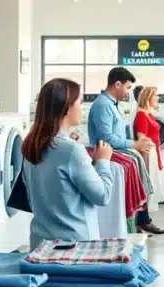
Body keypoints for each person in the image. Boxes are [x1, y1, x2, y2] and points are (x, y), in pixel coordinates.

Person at [22, 78, 114, 250]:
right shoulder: (72, 150)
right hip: (74, 246)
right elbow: (102, 196)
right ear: (67, 107)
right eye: (80, 102)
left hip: (40, 245)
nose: (82, 108)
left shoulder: (30, 145)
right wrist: (103, 161)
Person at [88, 67, 153, 156]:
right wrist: (134, 144)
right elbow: (105, 139)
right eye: (127, 87)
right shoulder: (103, 105)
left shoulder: (112, 104)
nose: (128, 92)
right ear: (118, 84)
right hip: (108, 158)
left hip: (113, 155)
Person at [132, 86, 164, 236]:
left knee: (148, 189)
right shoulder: (141, 115)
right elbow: (142, 139)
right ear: (147, 98)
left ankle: (144, 221)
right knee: (146, 188)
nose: (158, 98)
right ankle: (143, 222)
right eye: (155, 96)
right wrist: (147, 161)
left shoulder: (148, 114)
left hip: (153, 153)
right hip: (147, 156)